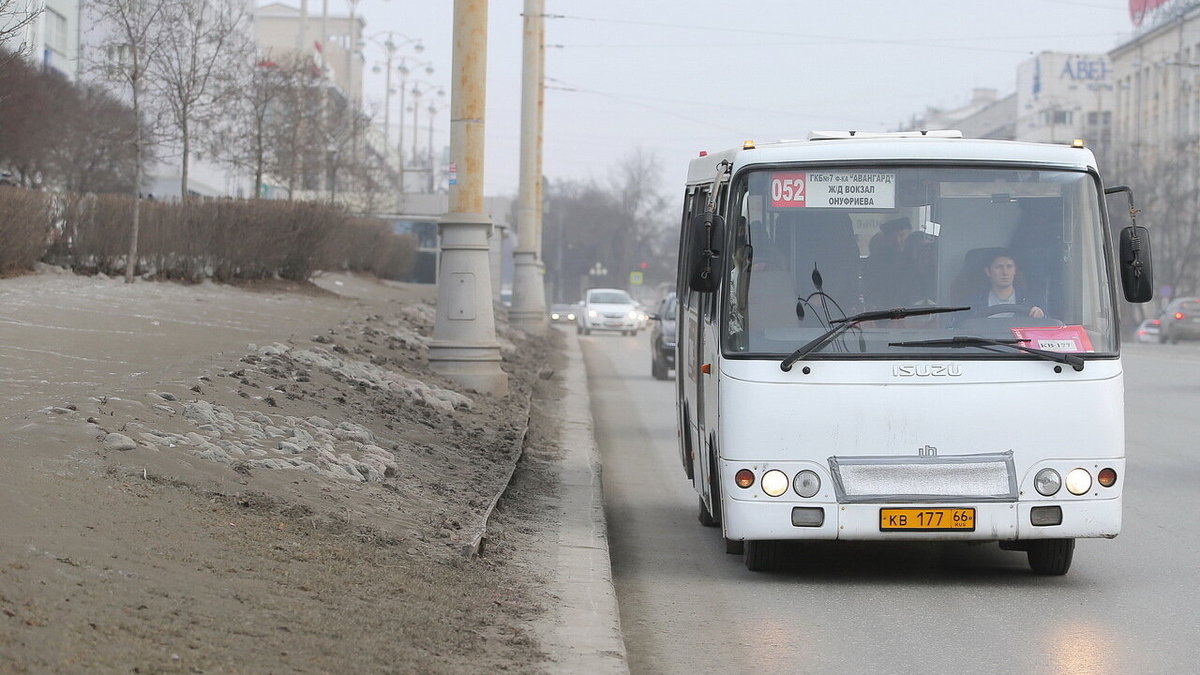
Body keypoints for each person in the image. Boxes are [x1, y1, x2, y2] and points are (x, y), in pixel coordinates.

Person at [975, 251, 1045, 318]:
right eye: (999, 267)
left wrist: (1041, 315)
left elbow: (1049, 323)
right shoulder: (975, 300)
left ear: (1015, 270)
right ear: (988, 272)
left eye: (1009, 267)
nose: (1005, 272)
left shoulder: (1032, 299)